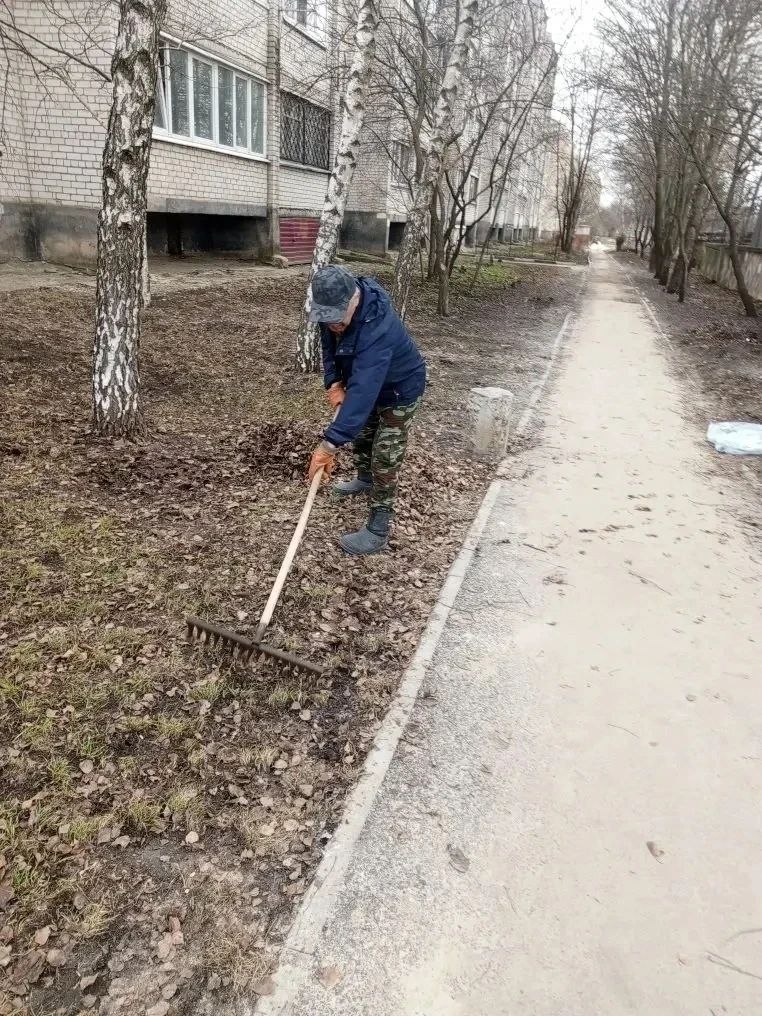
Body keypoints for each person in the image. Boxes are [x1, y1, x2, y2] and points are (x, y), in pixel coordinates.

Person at [307, 265, 426, 556]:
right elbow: (328, 345)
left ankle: (378, 527)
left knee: (385, 454)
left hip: (399, 390)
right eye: (327, 318)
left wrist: (329, 444)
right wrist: (333, 381)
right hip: (368, 384)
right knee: (362, 435)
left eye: (337, 319)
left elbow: (362, 392)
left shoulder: (377, 328)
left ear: (354, 300)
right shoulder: (332, 307)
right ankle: (363, 479)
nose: (332, 325)